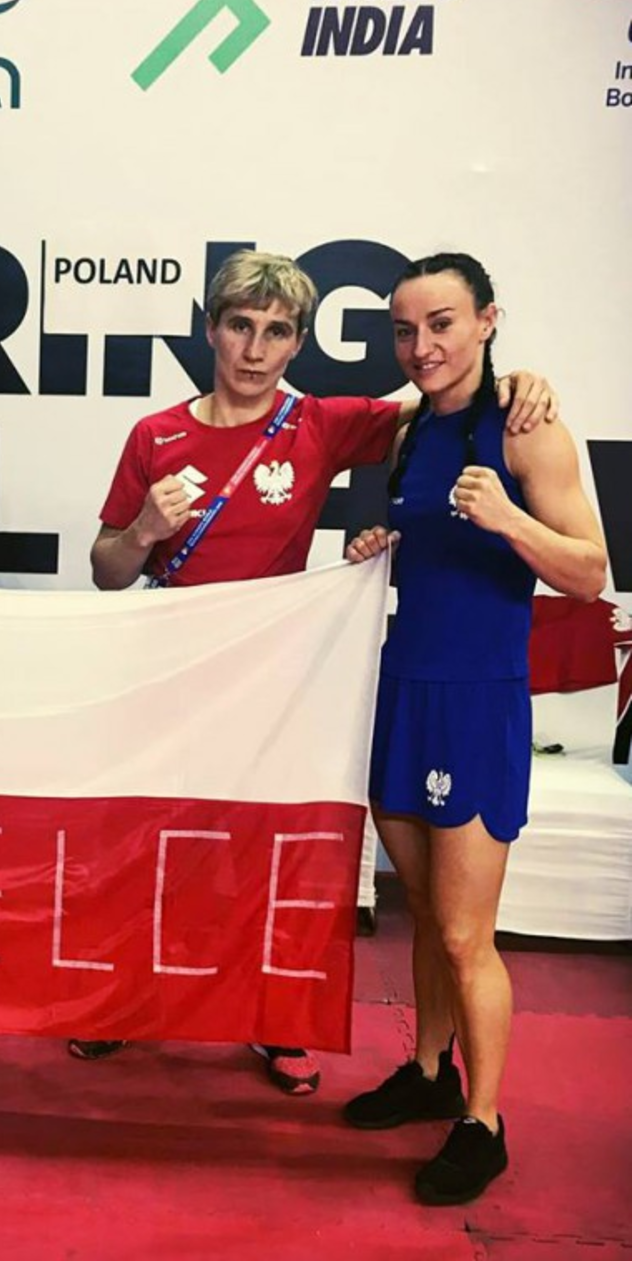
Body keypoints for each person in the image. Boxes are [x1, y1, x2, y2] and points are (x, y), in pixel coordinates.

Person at [79, 249, 556, 1097]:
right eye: (240, 326)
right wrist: (145, 528)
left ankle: (277, 1017)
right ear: (211, 330)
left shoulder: (320, 424)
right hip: (174, 681)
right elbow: (107, 571)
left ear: (299, 342)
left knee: (273, 859)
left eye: (277, 332)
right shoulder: (155, 436)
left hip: (278, 688)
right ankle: (135, 998)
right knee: (159, 847)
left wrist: (518, 382)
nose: (255, 350)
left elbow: (443, 398)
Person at [342, 252, 606, 1205]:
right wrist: (377, 547)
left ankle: (484, 1122)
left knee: (464, 932)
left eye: (443, 323)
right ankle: (429, 1069)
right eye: (405, 330)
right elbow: (433, 552)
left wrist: (508, 520)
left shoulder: (528, 426)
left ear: (488, 320)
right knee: (422, 911)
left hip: (476, 701)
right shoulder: (412, 430)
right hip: (402, 689)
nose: (422, 346)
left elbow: (590, 573)